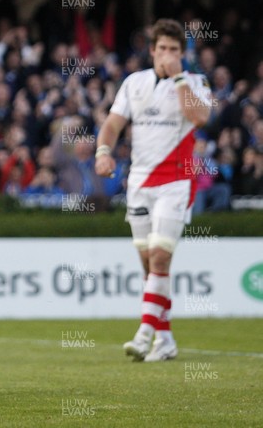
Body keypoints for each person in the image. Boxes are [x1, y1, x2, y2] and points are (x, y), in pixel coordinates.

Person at [95, 19, 212, 362]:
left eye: (174, 50)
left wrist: (178, 77)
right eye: (162, 49)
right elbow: (113, 123)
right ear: (152, 51)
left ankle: (144, 334)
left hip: (176, 182)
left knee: (161, 257)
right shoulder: (134, 83)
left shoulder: (195, 82)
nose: (168, 55)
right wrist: (103, 152)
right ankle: (165, 338)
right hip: (139, 183)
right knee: (149, 268)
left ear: (182, 53)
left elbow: (200, 117)